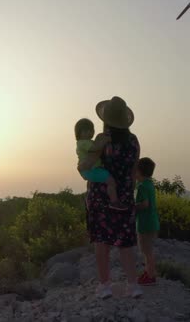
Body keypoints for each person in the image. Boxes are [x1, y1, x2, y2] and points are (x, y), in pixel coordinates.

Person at [79, 96, 143, 299]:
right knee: (125, 244)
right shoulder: (134, 142)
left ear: (106, 119)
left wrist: (82, 165)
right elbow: (134, 172)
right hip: (123, 196)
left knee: (101, 243)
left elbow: (86, 165)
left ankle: (105, 285)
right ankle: (133, 286)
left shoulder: (102, 139)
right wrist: (127, 192)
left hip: (101, 196)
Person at [75, 118, 127, 210]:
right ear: (80, 133)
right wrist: (106, 140)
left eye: (92, 130)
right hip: (92, 169)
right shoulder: (83, 143)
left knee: (90, 183)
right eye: (87, 130)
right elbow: (95, 148)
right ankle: (114, 201)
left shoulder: (85, 142)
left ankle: (88, 198)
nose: (90, 132)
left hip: (89, 170)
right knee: (111, 181)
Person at [135, 157, 160, 286]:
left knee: (146, 251)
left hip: (145, 223)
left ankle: (150, 276)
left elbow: (144, 204)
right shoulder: (149, 184)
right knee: (147, 250)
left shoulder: (142, 187)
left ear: (139, 171)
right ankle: (148, 272)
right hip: (152, 222)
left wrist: (132, 208)